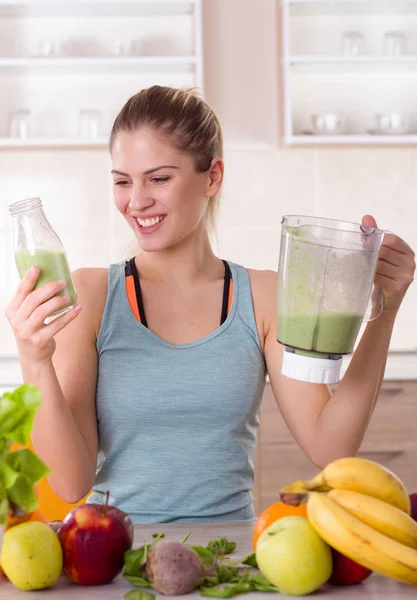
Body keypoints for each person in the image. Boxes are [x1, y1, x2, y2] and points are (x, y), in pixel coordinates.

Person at [5, 86, 415, 524]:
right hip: (113, 558)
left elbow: (330, 447)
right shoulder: (90, 296)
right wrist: (34, 360)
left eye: (158, 178)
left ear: (213, 176)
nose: (136, 200)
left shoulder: (262, 297)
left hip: (229, 567)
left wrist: (385, 310)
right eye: (123, 181)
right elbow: (71, 483)